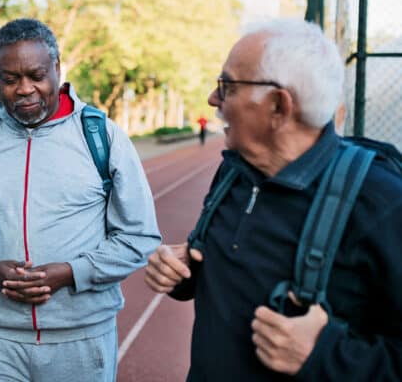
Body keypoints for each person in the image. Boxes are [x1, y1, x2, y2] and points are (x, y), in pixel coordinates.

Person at [143, 19, 402, 380]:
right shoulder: (233, 171)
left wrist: (326, 356)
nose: (213, 99)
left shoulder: (382, 203)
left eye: (228, 86)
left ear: (279, 106)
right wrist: (184, 273)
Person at [0, 18, 161, 381]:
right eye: (9, 79)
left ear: (57, 68)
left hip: (82, 338)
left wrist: (71, 273)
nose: (24, 89)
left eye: (36, 75)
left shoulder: (101, 137)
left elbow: (139, 237)